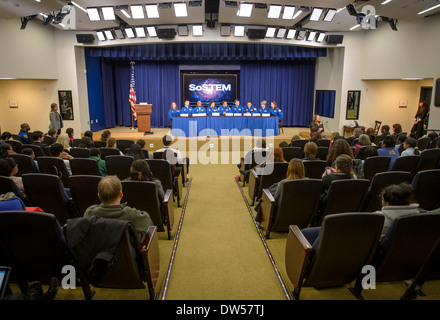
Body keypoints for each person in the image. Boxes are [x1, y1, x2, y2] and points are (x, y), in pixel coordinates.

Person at [83, 175, 154, 243]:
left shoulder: (89, 213)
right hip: (124, 253)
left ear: (99, 196)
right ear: (121, 194)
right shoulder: (132, 215)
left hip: (97, 251)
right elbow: (147, 221)